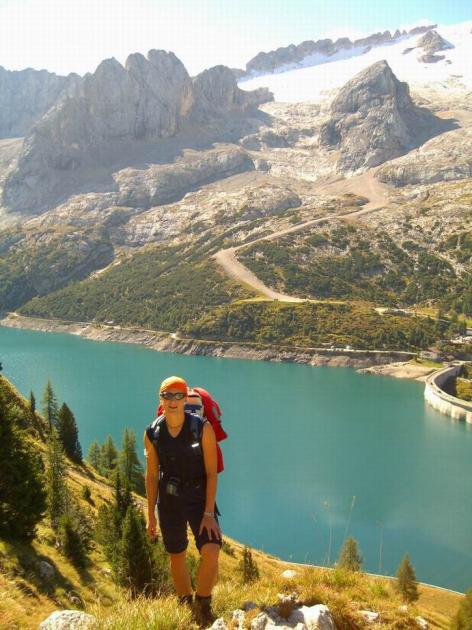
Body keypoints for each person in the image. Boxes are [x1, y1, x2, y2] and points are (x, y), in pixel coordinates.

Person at [144, 375, 222, 625]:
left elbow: (211, 473)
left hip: (198, 498)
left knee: (211, 549)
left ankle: (203, 604)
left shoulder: (202, 428)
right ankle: (185, 604)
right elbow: (151, 475)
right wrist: (150, 515)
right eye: (167, 395)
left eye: (178, 395)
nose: (173, 400)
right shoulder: (153, 433)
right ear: (161, 399)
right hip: (169, 501)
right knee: (176, 554)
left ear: (185, 399)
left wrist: (208, 513)